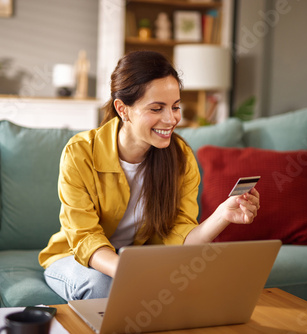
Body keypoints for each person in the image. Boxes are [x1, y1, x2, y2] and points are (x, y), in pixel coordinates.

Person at [39, 50, 260, 301]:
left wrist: (223, 215)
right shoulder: (80, 152)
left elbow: (180, 236)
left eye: (175, 107)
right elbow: (85, 237)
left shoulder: (181, 157)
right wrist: (132, 273)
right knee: (102, 286)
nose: (170, 119)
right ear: (123, 109)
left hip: (136, 259)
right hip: (75, 257)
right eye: (157, 108)